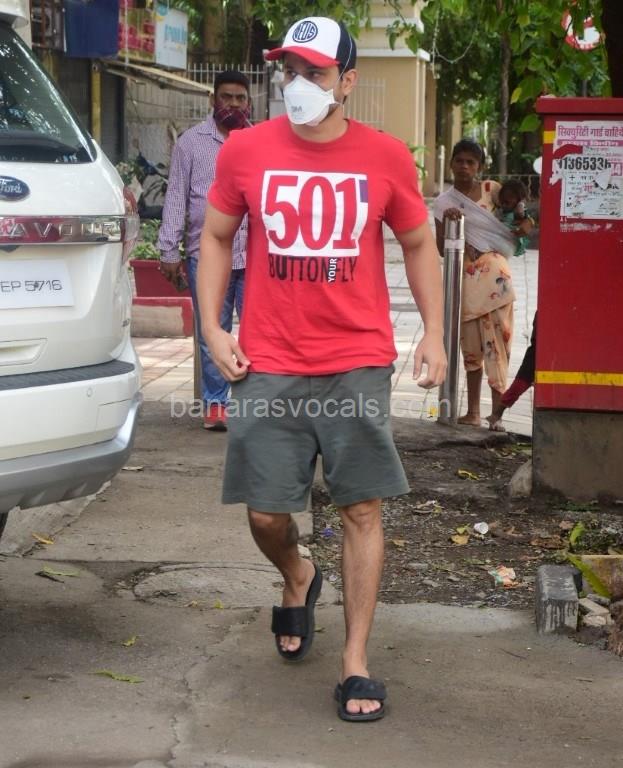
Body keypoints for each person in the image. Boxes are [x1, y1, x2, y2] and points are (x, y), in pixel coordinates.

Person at [197, 17, 447, 722]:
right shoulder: (246, 150)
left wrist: (433, 332)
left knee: (360, 507)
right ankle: (297, 573)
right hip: (267, 359)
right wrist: (212, 328)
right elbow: (215, 236)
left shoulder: (384, 156)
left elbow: (419, 243)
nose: (299, 84)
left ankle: (355, 661)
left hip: (355, 359)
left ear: (347, 82)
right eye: (290, 70)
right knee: (265, 511)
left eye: (315, 72)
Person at [158, 70, 251, 430]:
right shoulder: (191, 143)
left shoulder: (259, 142)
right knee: (211, 330)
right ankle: (216, 404)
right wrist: (169, 250)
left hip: (254, 256)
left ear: (248, 102)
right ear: (213, 99)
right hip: (206, 255)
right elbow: (176, 198)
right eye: (226, 97)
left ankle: (255, 404)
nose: (233, 104)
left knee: (258, 333)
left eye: (240, 98)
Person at [434, 139, 530, 428]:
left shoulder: (493, 190)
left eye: (470, 162)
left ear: (479, 167)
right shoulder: (443, 203)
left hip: (497, 284)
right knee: (471, 347)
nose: (464, 166)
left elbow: (520, 219)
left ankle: (497, 416)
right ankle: (473, 412)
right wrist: (450, 222)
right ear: (451, 163)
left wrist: (526, 224)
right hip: (465, 282)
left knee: (498, 346)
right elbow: (441, 249)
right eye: (459, 160)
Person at [488, 312, 537, 431]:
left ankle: (497, 414)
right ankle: (496, 414)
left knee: (519, 384)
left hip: (541, 349)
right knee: (520, 384)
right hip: (537, 350)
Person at [495, 178, 532, 257]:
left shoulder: (518, 211)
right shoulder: (503, 210)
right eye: (502, 201)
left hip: (509, 243)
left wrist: (521, 205)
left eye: (507, 202)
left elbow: (522, 214)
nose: (504, 205)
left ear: (519, 200)